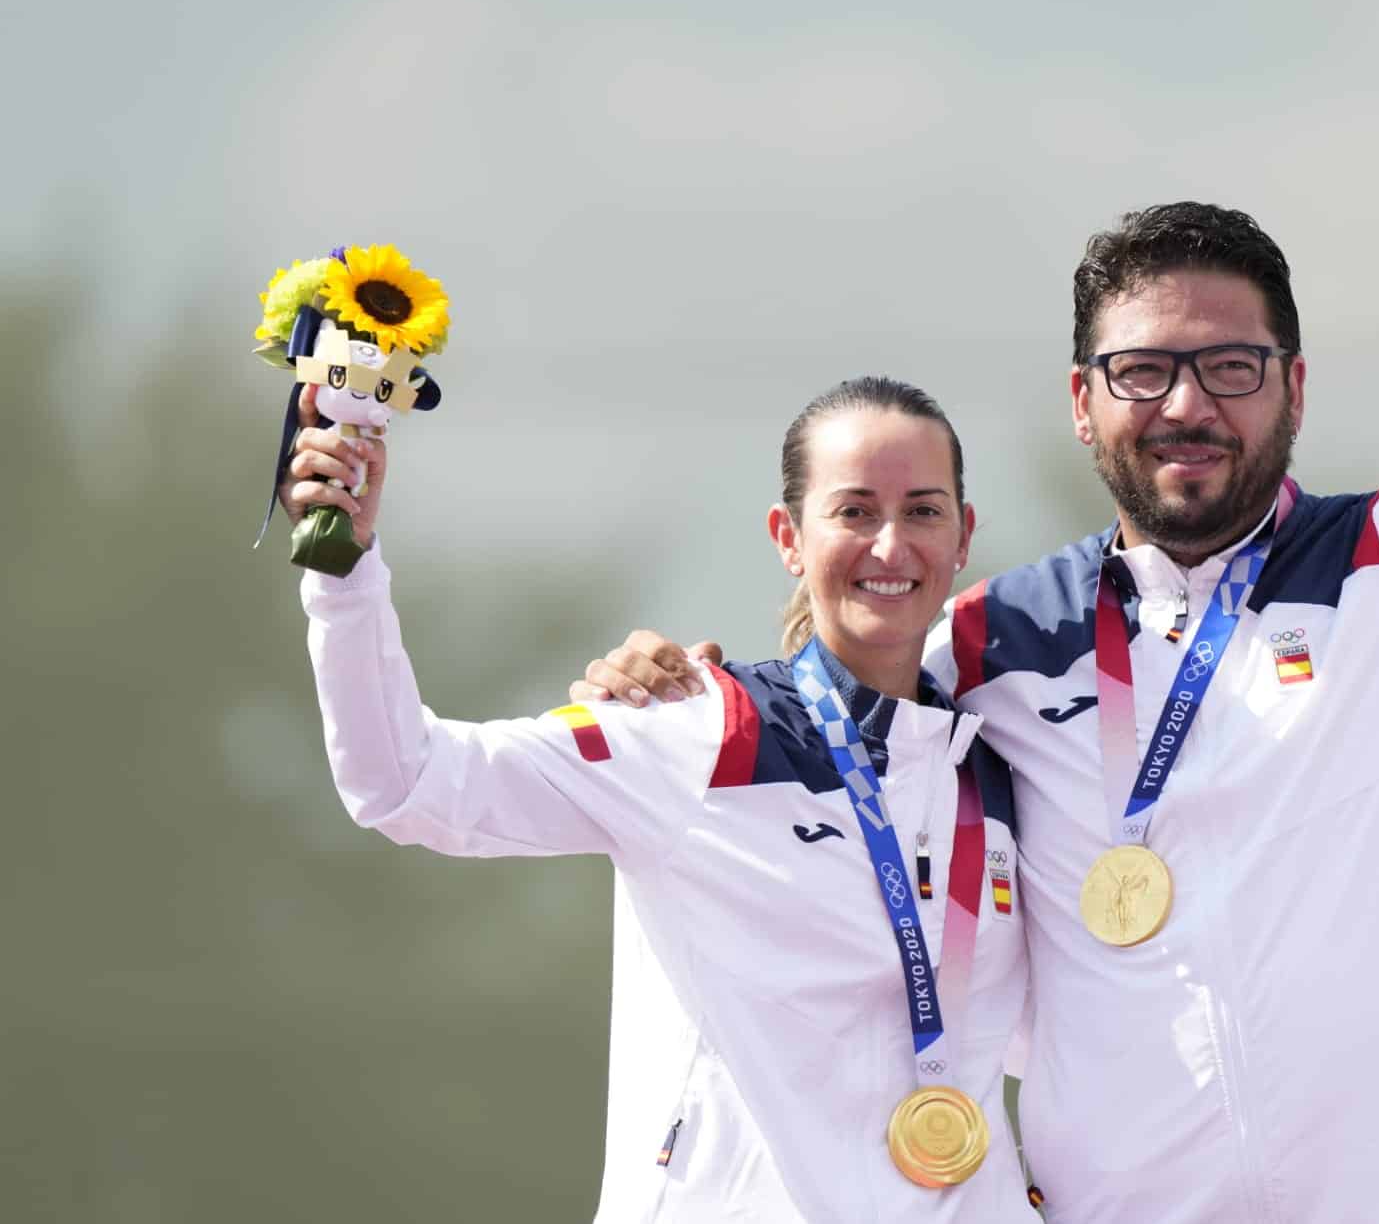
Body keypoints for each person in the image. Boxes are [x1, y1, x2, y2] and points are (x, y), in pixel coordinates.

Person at [580, 147, 1379, 1222]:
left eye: (1230, 367)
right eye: (1143, 371)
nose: (1188, 406)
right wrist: (672, 683)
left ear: (1294, 387)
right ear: (1082, 402)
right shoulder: (989, 639)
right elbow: (833, 710)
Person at [282, 375, 1039, 1223]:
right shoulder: (698, 730)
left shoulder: (997, 774)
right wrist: (344, 574)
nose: (891, 545)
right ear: (789, 537)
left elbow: (1055, 1033)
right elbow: (404, 779)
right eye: (855, 511)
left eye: (924, 510)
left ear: (964, 533)